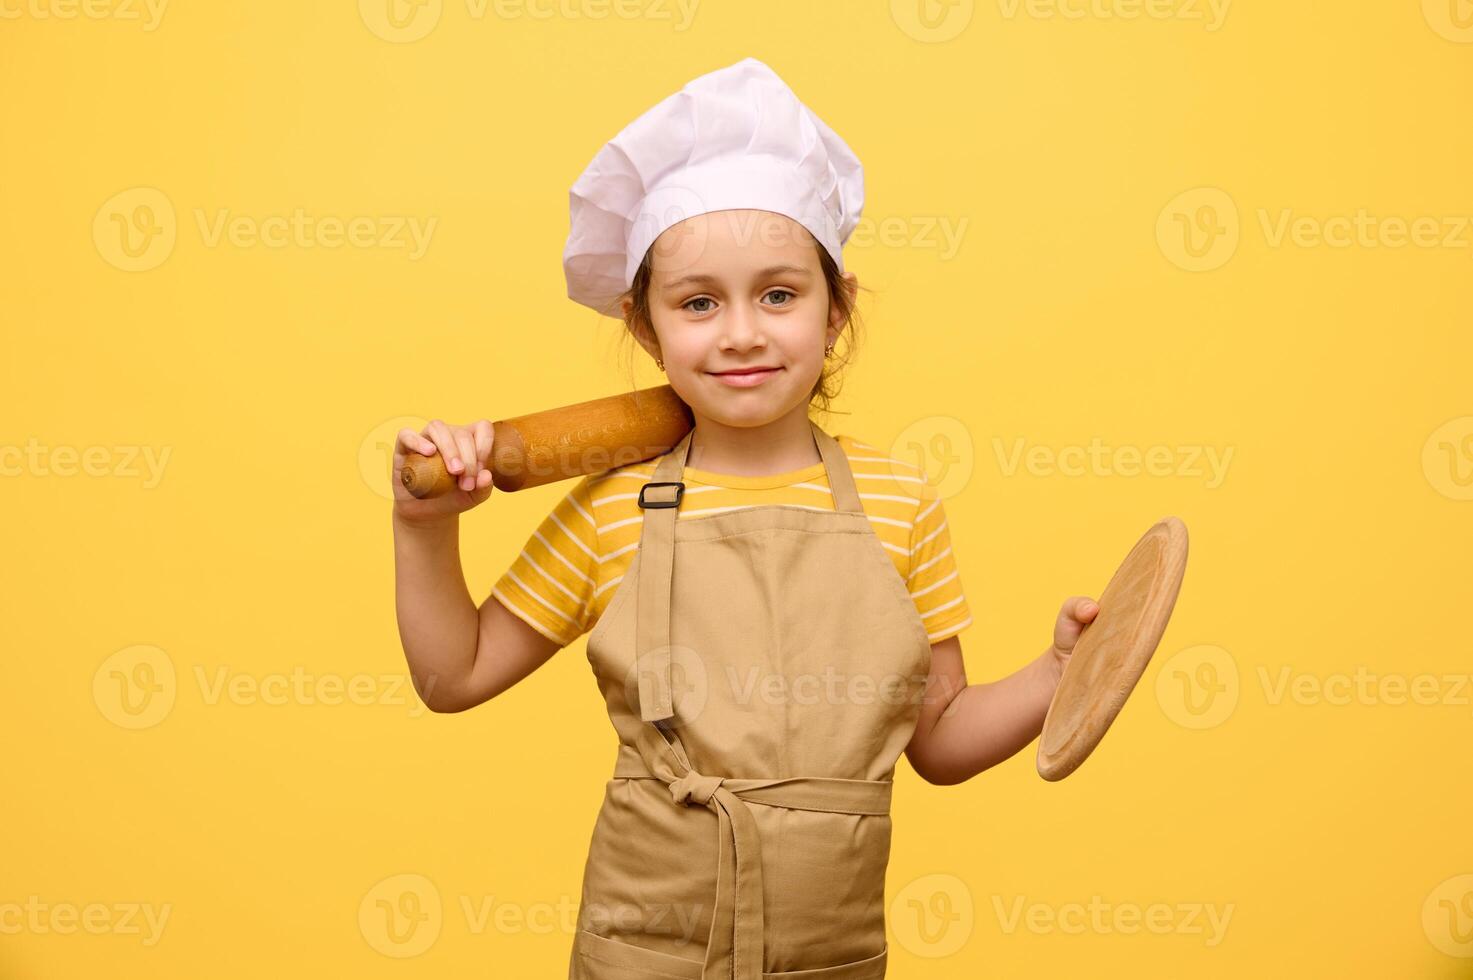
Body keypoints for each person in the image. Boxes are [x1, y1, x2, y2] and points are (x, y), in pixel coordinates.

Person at [390, 57, 1099, 980]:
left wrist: (1060, 670)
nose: (740, 333)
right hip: (643, 952)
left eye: (778, 293)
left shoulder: (898, 505)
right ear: (645, 329)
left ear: (835, 308)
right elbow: (455, 677)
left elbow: (941, 744)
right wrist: (425, 526)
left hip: (829, 958)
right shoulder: (611, 509)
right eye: (696, 303)